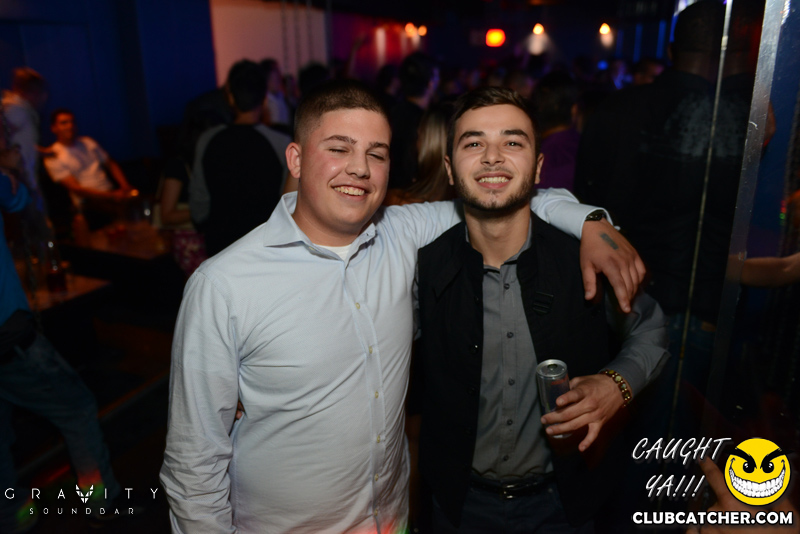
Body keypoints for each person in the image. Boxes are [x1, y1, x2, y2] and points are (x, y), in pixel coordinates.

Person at [160, 79, 646, 533]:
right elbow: (192, 467)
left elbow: (505, 192)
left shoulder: (400, 233)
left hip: (391, 520)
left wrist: (592, 223)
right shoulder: (224, 285)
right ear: (296, 158)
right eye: (339, 149)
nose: (359, 168)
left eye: (376, 154)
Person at [415, 87, 668, 533]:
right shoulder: (423, 267)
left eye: (512, 142)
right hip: (458, 507)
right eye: (474, 143)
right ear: (450, 169)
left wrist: (617, 385)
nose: (493, 157)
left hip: (564, 506)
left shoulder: (582, 259)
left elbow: (651, 328)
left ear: (537, 166)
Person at [0, 142, 121, 533]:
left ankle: (10, 514)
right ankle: (98, 502)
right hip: (8, 337)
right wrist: (12, 165)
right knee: (76, 408)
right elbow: (23, 202)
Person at [189, 60, 291, 256]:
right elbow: (288, 205)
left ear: (230, 97)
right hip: (267, 251)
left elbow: (199, 208)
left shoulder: (208, 140)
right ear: (264, 99)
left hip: (221, 250)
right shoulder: (281, 143)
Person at [42, 108, 136, 229]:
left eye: (72, 122)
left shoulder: (88, 142)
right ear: (54, 128)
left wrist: (124, 185)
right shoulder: (53, 155)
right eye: (64, 123)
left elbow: (110, 163)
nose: (70, 126)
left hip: (111, 193)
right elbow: (76, 189)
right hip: (87, 203)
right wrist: (111, 196)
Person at [389, 52, 440, 189]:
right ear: (431, 83)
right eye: (437, 76)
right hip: (416, 192)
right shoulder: (428, 123)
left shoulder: (390, 113)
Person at [1, 68, 48, 205]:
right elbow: (4, 143)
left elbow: (18, 142)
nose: (44, 97)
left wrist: (42, 152)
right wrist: (22, 178)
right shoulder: (17, 110)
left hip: (24, 181)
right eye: (39, 92)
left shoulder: (19, 109)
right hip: (22, 183)